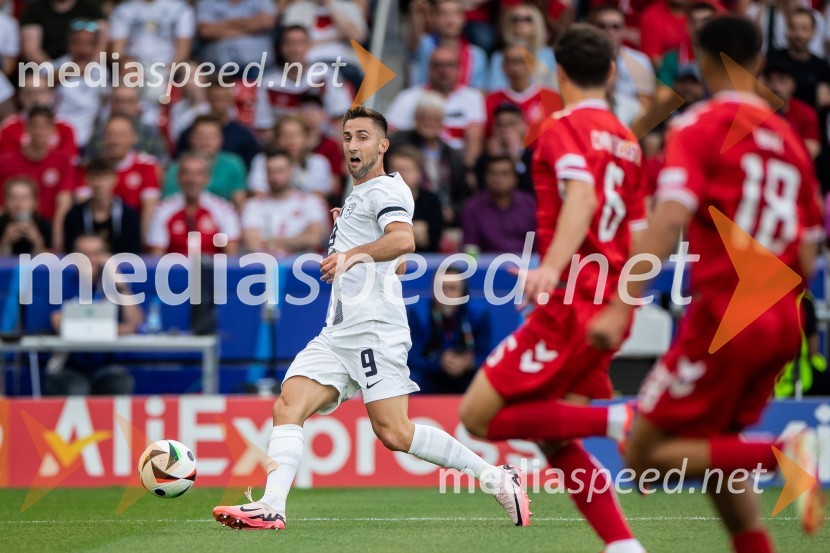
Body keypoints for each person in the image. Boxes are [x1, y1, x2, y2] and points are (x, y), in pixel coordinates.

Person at [212, 105, 531, 531]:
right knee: (288, 405)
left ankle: (496, 478)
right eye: (346, 137)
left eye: (362, 137)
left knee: (395, 433)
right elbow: (394, 265)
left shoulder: (385, 192)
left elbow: (405, 241)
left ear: (383, 145)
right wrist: (351, 236)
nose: (352, 145)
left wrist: (350, 252)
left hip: (374, 330)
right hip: (339, 332)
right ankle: (272, 505)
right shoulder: (360, 196)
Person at [587, 16, 825, 550]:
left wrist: (622, 308)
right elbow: (810, 256)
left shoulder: (696, 127)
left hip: (726, 318)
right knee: (719, 451)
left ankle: (784, 454)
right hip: (783, 320)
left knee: (643, 458)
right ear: (761, 61)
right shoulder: (790, 142)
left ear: (699, 57)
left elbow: (669, 220)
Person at [459, 25, 647, 553]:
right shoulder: (629, 142)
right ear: (611, 72)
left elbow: (582, 197)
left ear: (557, 73)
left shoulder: (561, 126)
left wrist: (551, 270)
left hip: (571, 298)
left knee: (478, 416)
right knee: (554, 434)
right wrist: (623, 302)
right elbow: (640, 229)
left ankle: (619, 419)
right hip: (609, 299)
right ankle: (622, 545)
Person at [45, 233, 141, 395]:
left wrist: (121, 285)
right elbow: (58, 322)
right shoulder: (62, 283)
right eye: (85, 254)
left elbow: (136, 322)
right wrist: (114, 330)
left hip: (105, 366)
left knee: (120, 383)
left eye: (96, 253)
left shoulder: (112, 285)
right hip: (70, 366)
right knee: (76, 388)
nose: (91, 259)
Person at [387, 47, 486, 169]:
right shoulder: (407, 97)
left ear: (459, 69)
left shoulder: (472, 97)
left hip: (457, 167)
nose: (443, 71)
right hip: (414, 165)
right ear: (428, 68)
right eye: (438, 65)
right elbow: (391, 136)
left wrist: (467, 171)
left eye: (450, 65)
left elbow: (474, 141)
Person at [407, 266, 491, 393]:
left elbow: (486, 355)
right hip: (430, 379)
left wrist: (470, 362)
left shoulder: (478, 314)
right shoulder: (418, 315)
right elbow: (411, 357)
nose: (445, 294)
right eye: (441, 288)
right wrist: (439, 362)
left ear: (463, 292)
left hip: (467, 378)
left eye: (452, 288)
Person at [388, 92, 467, 226]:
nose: (429, 122)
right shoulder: (398, 144)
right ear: (415, 119)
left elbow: (462, 192)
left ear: (442, 122)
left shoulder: (453, 154)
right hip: (409, 213)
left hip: (445, 215)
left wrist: (454, 210)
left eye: (435, 118)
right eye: (424, 117)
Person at [0, 106, 73, 249]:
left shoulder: (62, 162)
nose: (39, 131)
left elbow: (64, 198)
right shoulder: (6, 163)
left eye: (45, 126)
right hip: (10, 225)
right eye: (35, 126)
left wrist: (57, 230)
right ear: (26, 129)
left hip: (47, 227)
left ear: (53, 130)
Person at [254, 25, 352, 132]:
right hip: (284, 143)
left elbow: (341, 117)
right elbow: (264, 128)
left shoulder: (326, 74)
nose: (295, 49)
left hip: (324, 140)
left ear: (309, 46)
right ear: (280, 47)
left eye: (300, 43)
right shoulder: (268, 83)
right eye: (289, 43)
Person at [148, 152, 241, 256]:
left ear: (207, 178)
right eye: (187, 173)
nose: (192, 180)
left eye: (198, 174)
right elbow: (156, 257)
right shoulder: (162, 211)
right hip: (174, 270)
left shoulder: (223, 209)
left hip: (213, 270)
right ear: (178, 177)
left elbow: (230, 254)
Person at [241, 150, 328, 255]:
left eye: (280, 171)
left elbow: (314, 238)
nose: (275, 177)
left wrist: (273, 241)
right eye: (270, 171)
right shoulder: (253, 205)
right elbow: (253, 244)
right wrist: (300, 239)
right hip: (265, 266)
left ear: (291, 171)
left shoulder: (311, 202)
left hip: (303, 267)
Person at [175, 79, 260, 169]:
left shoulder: (243, 135)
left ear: (231, 99)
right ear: (207, 98)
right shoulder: (190, 133)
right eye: (215, 99)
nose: (220, 104)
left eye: (224, 98)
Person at [63, 157, 142, 254]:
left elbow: (134, 255)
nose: (99, 184)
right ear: (86, 180)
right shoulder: (74, 215)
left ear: (115, 179)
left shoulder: (129, 216)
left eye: (104, 178)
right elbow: (70, 252)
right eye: (94, 177)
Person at [164, 115, 247, 206]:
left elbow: (239, 202)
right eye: (201, 136)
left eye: (211, 136)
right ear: (191, 138)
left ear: (221, 139)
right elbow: (169, 203)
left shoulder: (233, 164)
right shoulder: (177, 168)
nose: (206, 141)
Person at [484, 43, 562, 139]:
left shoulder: (551, 99)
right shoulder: (492, 100)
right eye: (510, 62)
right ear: (503, 66)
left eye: (521, 61)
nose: (516, 68)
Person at [461, 156, 536, 255]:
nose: (498, 179)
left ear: (515, 178)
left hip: (527, 265)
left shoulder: (530, 204)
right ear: (485, 177)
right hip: (486, 268)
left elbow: (538, 242)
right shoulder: (472, 208)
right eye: (493, 173)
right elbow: (471, 246)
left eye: (504, 174)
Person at [248, 114, 334, 198]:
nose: (291, 140)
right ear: (276, 139)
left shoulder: (318, 163)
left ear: (306, 138)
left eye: (296, 135)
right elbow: (258, 195)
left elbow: (318, 198)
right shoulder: (262, 161)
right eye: (285, 135)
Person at [410, 0, 487, 89]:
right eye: (443, 14)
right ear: (434, 18)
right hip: (427, 100)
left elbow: (479, 92)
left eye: (455, 14)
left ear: (463, 19)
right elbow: (413, 43)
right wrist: (416, 15)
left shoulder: (477, 55)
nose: (450, 19)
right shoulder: (425, 45)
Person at [0, 72, 78, 159]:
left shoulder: (65, 128)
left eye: (41, 92)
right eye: (29, 93)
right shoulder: (8, 128)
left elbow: (68, 162)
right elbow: (5, 164)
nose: (35, 98)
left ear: (50, 95)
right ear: (20, 96)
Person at [86, 86, 170, 165]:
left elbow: (162, 163)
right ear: (111, 104)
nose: (123, 106)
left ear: (138, 105)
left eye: (129, 101)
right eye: (118, 101)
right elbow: (88, 163)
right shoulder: (100, 132)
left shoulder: (149, 132)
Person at [767, 7, 830, 109]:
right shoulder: (772, 58)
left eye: (804, 28)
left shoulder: (821, 65)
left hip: (808, 122)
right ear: (787, 30)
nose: (798, 34)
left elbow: (822, 100)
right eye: (793, 28)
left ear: (813, 32)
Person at [386, 145, 444, 253]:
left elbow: (431, 240)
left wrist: (393, 232)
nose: (399, 175)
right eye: (394, 169)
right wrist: (413, 230)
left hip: (424, 262)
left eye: (406, 170)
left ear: (419, 174)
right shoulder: (378, 198)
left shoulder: (431, 200)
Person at [487, 3, 557, 91]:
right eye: (515, 19)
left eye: (527, 19)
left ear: (537, 23)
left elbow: (553, 89)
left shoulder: (547, 55)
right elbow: (495, 90)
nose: (520, 23)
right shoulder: (498, 57)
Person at [108, 0, 195, 70]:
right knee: (127, 68)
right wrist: (129, 64)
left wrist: (168, 71)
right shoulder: (123, 10)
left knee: (191, 72)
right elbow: (117, 51)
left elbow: (183, 50)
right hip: (134, 66)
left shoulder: (180, 8)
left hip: (168, 65)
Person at [761, 60, 821, 159]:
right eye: (769, 80)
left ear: (793, 84)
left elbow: (811, 150)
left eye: (782, 80)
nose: (775, 87)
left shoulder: (806, 112)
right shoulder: (755, 109)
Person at [196, 0, 276, 72]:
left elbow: (266, 23)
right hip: (219, 67)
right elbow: (206, 31)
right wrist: (251, 25)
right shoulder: (207, 2)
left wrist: (223, 24)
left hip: (257, 65)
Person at [19, 0, 105, 63]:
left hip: (87, 66)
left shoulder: (91, 8)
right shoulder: (35, 9)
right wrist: (55, 71)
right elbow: (32, 50)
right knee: (34, 84)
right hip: (48, 69)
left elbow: (102, 45)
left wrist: (90, 66)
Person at [0, 176, 52, 256]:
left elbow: (54, 263)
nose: (18, 204)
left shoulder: (44, 225)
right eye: (13, 198)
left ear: (35, 202)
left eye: (24, 198)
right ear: (5, 201)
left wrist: (37, 242)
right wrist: (6, 242)